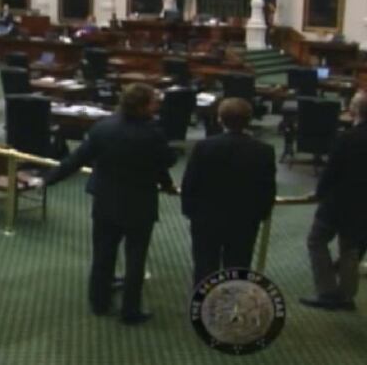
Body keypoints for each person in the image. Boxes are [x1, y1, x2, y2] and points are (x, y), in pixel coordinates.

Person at [43, 83, 177, 324]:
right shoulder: (153, 133)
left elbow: (76, 159)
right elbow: (167, 161)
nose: (157, 105)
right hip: (140, 204)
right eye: (154, 101)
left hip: (105, 200)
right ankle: (130, 311)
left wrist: (48, 180)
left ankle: (99, 302)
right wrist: (167, 185)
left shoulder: (103, 128)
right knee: (136, 259)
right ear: (143, 106)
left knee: (103, 254)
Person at [181, 98, 277, 287]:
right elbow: (267, 188)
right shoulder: (264, 151)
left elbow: (190, 183)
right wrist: (261, 214)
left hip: (206, 218)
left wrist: (190, 212)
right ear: (249, 120)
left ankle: (201, 310)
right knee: (238, 267)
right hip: (244, 220)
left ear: (220, 119)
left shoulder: (204, 147)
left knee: (205, 268)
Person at [300, 90, 367, 311]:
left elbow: (330, 173)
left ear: (353, 110)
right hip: (363, 206)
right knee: (350, 249)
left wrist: (318, 194)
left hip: (338, 204)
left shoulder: (346, 138)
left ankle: (327, 292)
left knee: (316, 241)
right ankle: (346, 297)